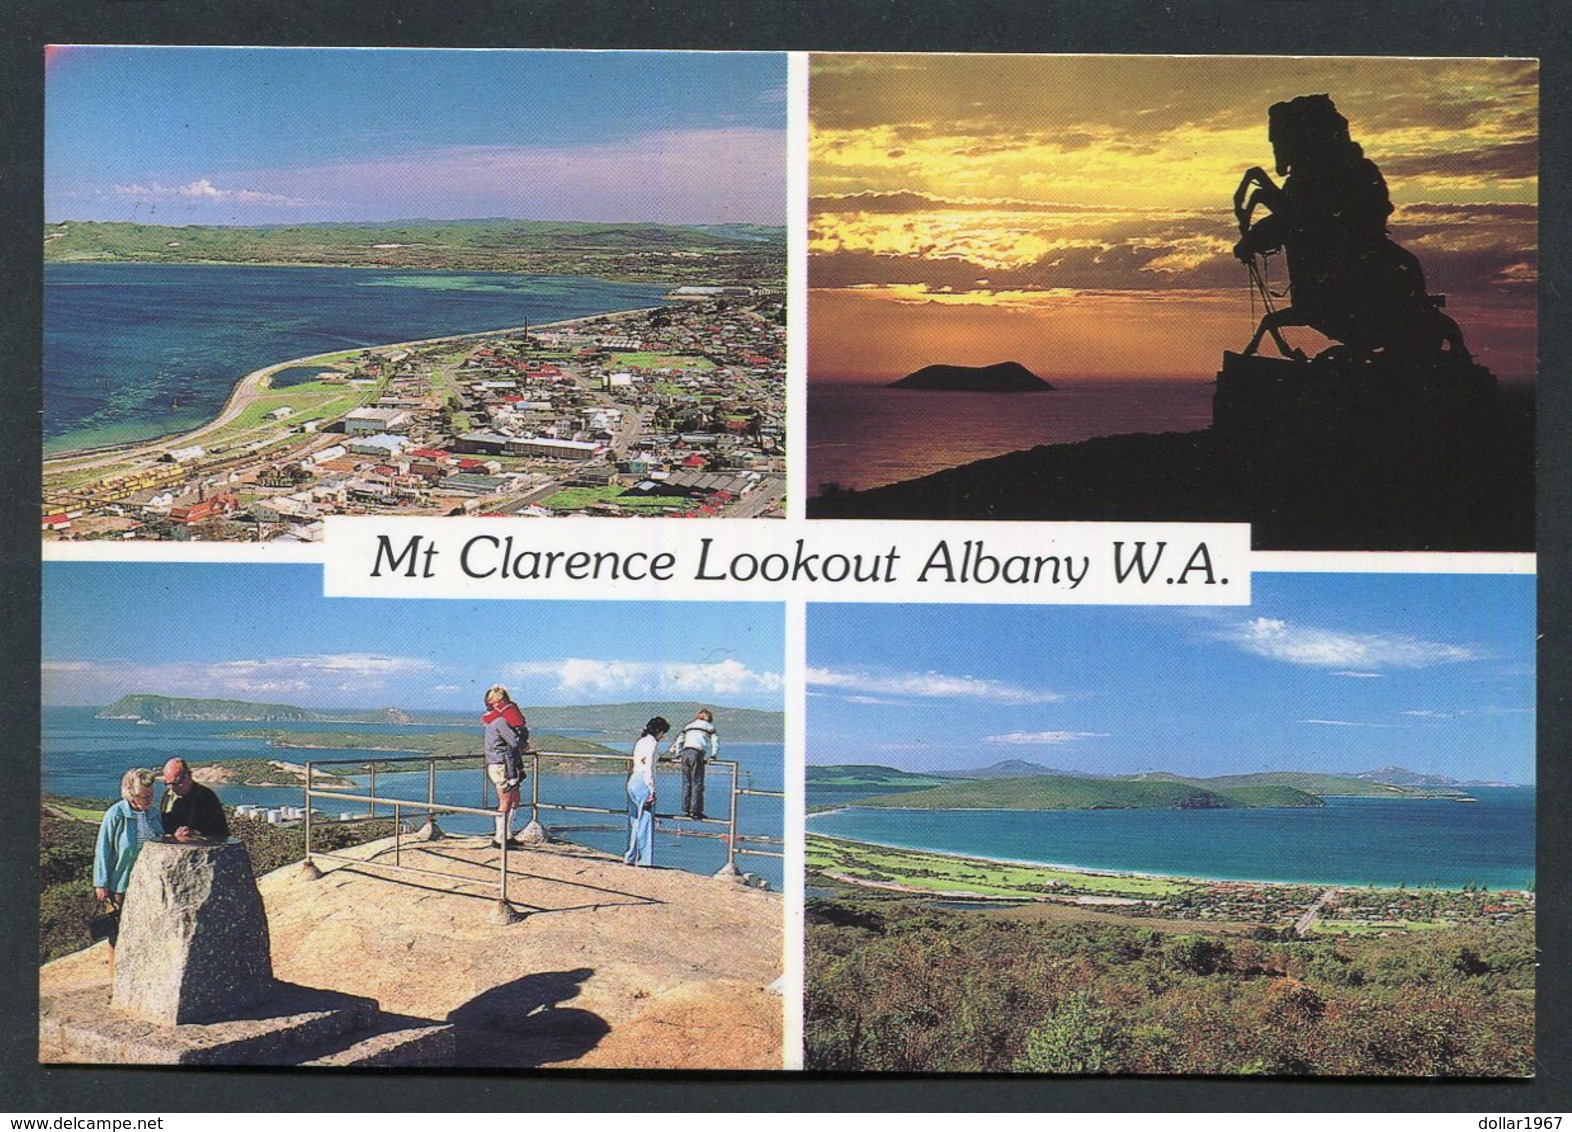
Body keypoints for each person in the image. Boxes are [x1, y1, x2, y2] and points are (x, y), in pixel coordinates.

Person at [93, 767, 161, 977]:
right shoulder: (116, 814)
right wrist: (101, 883)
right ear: (131, 794)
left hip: (150, 884)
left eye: (151, 795)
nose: (149, 799)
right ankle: (116, 979)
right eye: (144, 796)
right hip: (121, 885)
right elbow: (103, 849)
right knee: (118, 934)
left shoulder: (154, 814)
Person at [482, 685, 529, 847]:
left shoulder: (495, 720)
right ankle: (499, 838)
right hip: (501, 765)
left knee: (514, 799)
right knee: (506, 800)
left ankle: (507, 835)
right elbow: (514, 742)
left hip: (504, 764)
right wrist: (523, 744)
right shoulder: (500, 721)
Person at [624, 717, 669, 867]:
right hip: (644, 781)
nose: (663, 736)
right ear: (659, 731)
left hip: (633, 780)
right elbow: (649, 767)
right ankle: (643, 860)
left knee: (635, 820)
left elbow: (641, 761)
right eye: (663, 733)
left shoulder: (640, 741)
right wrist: (652, 790)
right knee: (645, 821)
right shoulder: (652, 743)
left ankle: (630, 856)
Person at [160, 757, 229, 842]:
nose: (173, 788)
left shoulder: (206, 797)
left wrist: (195, 833)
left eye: (177, 783)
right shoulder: (168, 796)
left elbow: (221, 833)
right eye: (168, 784)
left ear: (188, 776)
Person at [668, 708, 719, 820]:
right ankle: (695, 811)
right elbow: (715, 742)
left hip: (685, 753)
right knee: (697, 782)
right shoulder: (709, 727)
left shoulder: (689, 726)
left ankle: (686, 809)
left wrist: (678, 754)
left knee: (687, 782)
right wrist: (713, 755)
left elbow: (680, 739)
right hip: (697, 753)